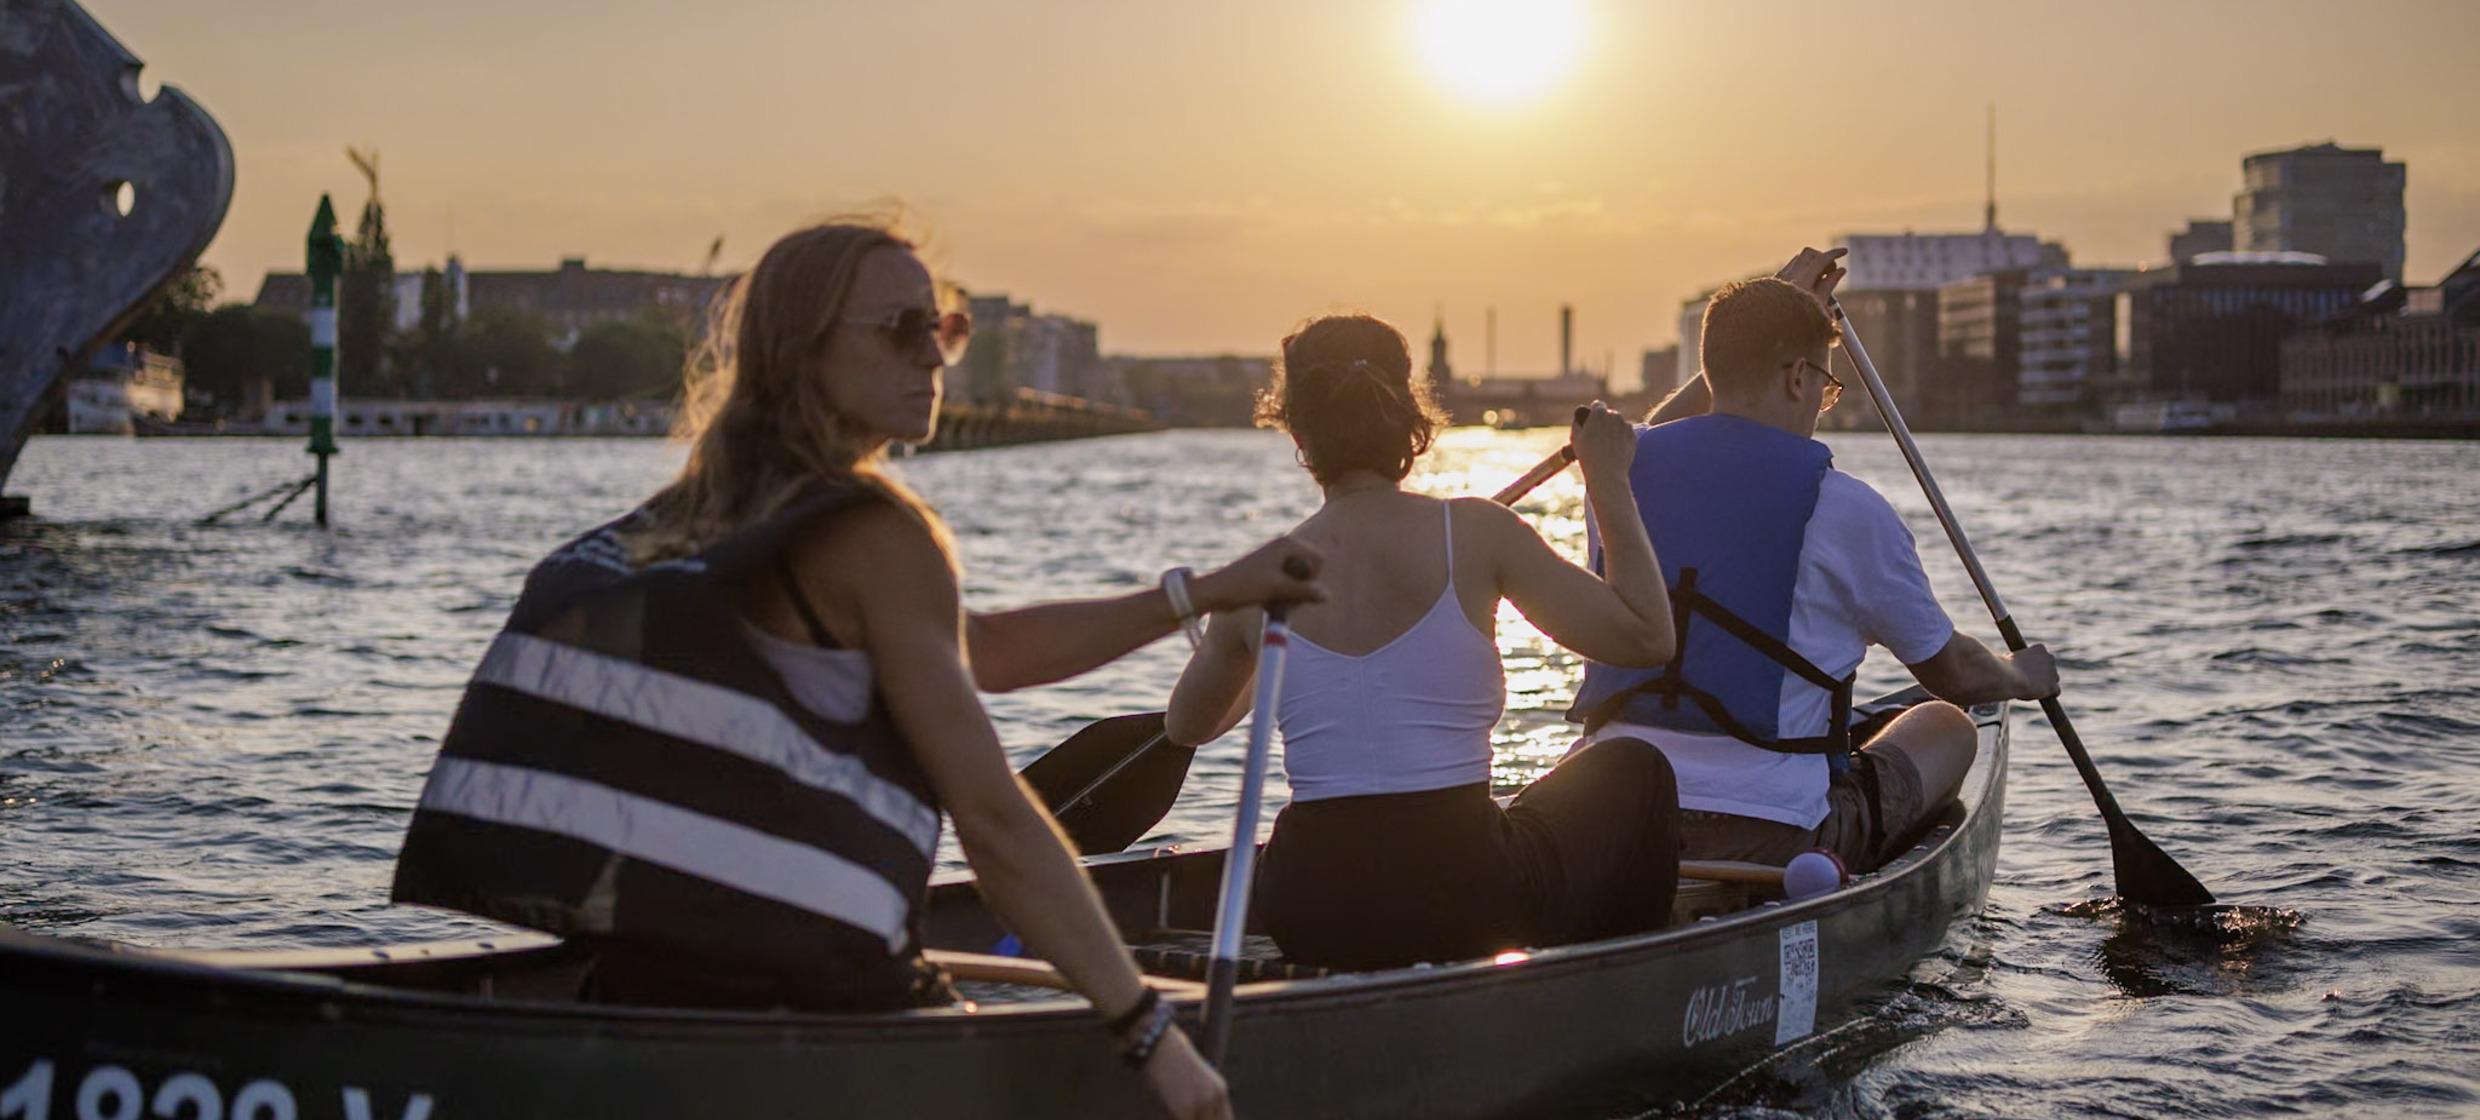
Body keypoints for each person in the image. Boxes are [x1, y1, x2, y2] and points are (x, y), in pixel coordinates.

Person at [391, 219, 1319, 1120]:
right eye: (902, 328)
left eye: (945, 326)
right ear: (802, 349)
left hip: (642, 994)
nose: (935, 357)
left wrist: (1199, 593)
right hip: (817, 1019)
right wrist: (1149, 1032)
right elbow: (995, 825)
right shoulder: (876, 533)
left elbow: (979, 650)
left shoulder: (700, 516)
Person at [1165, 314, 1683, 972]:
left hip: (1310, 903)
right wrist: (1607, 480)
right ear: (1409, 415)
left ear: (1297, 431)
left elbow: (1188, 726)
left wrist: (1237, 643)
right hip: (1463, 893)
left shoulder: (1258, 581)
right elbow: (1646, 636)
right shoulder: (1478, 533)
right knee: (1634, 768)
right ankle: (1613, 985)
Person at [1566, 248, 2060, 874]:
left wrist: (1772, 306)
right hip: (1773, 834)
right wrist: (2022, 675)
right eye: (1827, 387)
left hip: (1605, 815)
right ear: (1799, 378)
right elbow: (1956, 673)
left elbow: (1667, 430)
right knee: (1947, 725)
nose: (1821, 400)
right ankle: (1827, 873)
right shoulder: (1845, 507)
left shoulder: (1613, 474)